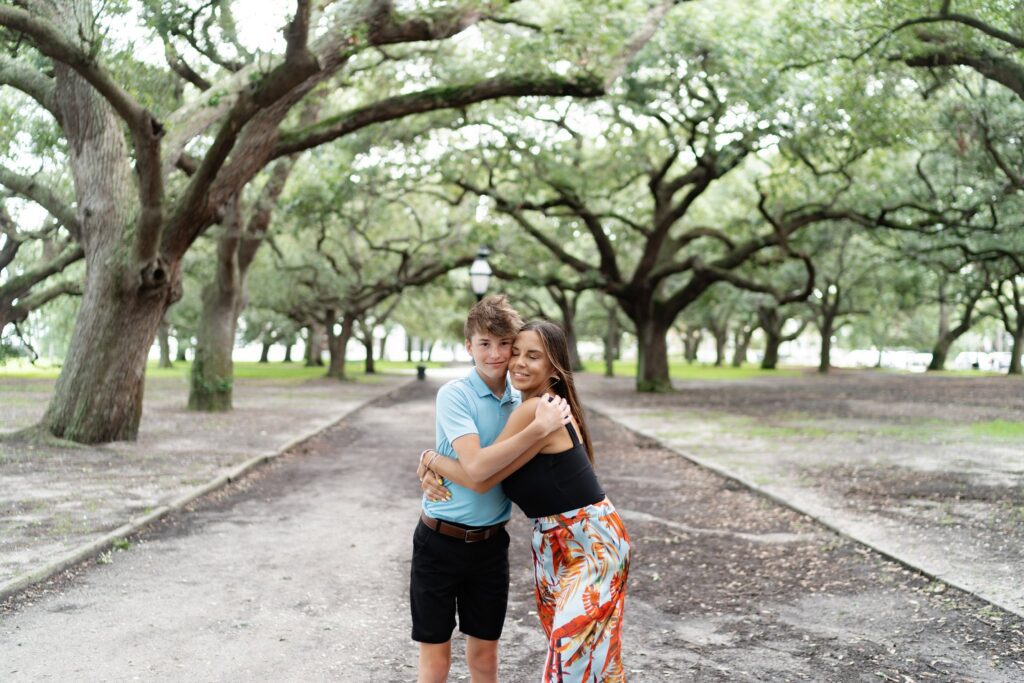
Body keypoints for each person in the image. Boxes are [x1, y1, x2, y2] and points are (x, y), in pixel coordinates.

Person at [419, 320, 631, 682]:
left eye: (533, 356)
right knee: (587, 659)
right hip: (555, 542)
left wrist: (429, 458)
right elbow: (490, 471)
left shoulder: (535, 411)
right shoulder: (536, 407)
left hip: (590, 544)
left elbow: (479, 476)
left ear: (554, 365)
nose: (517, 361)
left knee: (573, 660)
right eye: (515, 352)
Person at [411, 296, 572, 683]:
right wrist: (429, 458)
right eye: (485, 344)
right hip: (439, 542)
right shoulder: (454, 394)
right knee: (436, 662)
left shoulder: (526, 400)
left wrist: (431, 459)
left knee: (485, 657)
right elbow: (479, 471)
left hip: (489, 547)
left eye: (505, 345)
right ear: (469, 347)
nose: (497, 354)